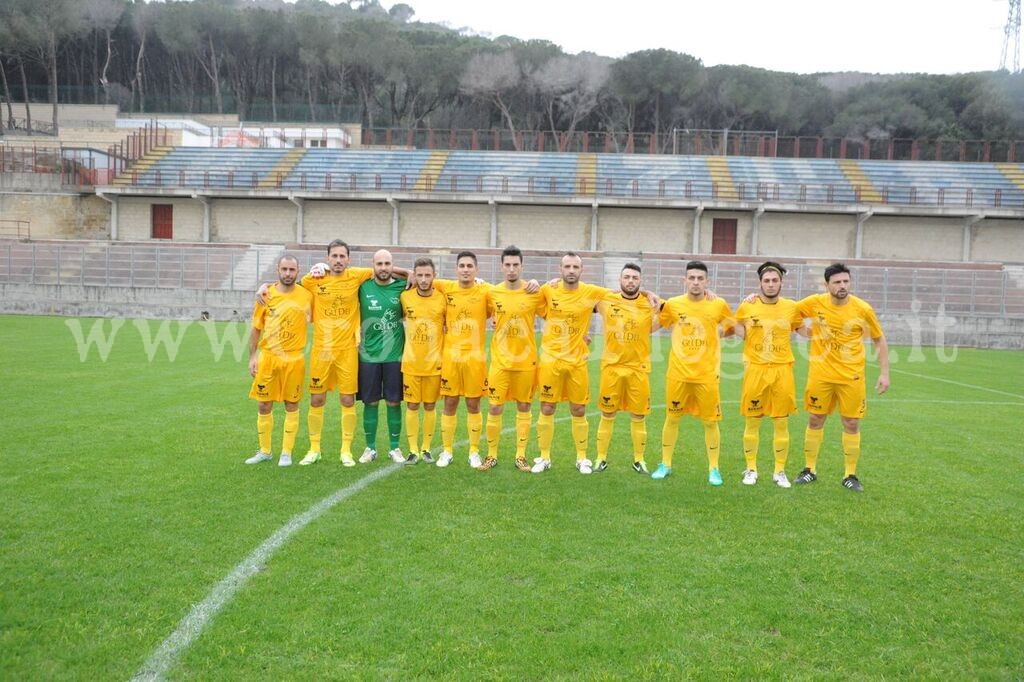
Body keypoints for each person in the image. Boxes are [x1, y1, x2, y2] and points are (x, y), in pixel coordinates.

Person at [259, 240, 373, 467]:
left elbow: (385, 270)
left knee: (347, 399)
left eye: (342, 256)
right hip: (321, 350)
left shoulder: (358, 275)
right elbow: (288, 284)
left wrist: (409, 273)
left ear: (348, 259)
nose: (339, 260)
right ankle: (314, 449)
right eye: (335, 256)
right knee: (317, 399)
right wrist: (265, 285)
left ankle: (346, 451)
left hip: (347, 350)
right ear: (328, 257)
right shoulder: (314, 279)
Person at [794, 263, 890, 492]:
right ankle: (809, 470)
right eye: (837, 282)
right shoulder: (814, 303)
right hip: (821, 375)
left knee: (852, 423)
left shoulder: (862, 309)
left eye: (846, 281)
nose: (842, 286)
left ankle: (850, 474)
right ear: (827, 285)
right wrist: (803, 331)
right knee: (815, 419)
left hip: (851, 377)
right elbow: (788, 312)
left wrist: (885, 373)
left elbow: (879, 339)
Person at [532, 252, 619, 475]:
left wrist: (647, 293)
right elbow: (528, 299)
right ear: (560, 269)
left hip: (577, 361)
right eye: (567, 266)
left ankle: (582, 458)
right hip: (551, 359)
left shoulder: (592, 292)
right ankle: (544, 457)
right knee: (547, 407)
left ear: (582, 270)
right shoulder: (548, 290)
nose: (571, 270)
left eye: (575, 267)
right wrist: (536, 282)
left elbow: (625, 295)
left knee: (579, 409)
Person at [654, 260, 734, 485]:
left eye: (700, 279)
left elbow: (732, 327)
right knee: (672, 418)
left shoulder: (718, 305)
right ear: (685, 280)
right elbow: (656, 324)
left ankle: (714, 469)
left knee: (710, 422)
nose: (696, 282)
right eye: (692, 278)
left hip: (706, 375)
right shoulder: (673, 304)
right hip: (677, 374)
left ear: (707, 281)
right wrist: (652, 303)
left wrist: (718, 332)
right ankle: (665, 464)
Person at [733, 261, 803, 488]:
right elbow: (737, 326)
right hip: (756, 370)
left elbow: (802, 329)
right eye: (767, 281)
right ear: (760, 283)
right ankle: (751, 468)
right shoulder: (747, 306)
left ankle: (779, 471)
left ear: (781, 282)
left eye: (775, 281)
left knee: (781, 423)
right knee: (752, 422)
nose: (771, 285)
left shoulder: (792, 307)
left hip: (783, 370)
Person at [479, 245, 547, 472]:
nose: (511, 269)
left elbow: (557, 310)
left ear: (521, 266)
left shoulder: (534, 292)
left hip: (526, 363)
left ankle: (520, 456)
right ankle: (491, 455)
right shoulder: (492, 293)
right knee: (495, 407)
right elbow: (483, 313)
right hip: (500, 362)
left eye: (515, 265)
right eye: (507, 265)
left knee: (524, 407)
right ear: (501, 267)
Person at [245, 254, 312, 466]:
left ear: (298, 272)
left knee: (291, 404)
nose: (288, 273)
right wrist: (252, 356)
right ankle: (265, 451)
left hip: (294, 359)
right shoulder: (266, 295)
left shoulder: (307, 296)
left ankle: (286, 452)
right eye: (284, 269)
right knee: (264, 404)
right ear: (278, 270)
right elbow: (256, 328)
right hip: (268, 358)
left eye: (292, 270)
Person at [594, 262, 659, 474]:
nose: (630, 281)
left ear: (640, 281)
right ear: (620, 280)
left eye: (635, 278)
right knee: (607, 413)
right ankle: (600, 458)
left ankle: (639, 460)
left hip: (638, 370)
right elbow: (577, 298)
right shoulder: (606, 300)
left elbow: (679, 307)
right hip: (611, 368)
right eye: (627, 277)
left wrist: (650, 294)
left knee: (639, 416)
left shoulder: (651, 303)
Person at [436, 251, 490, 468]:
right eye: (462, 266)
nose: (466, 269)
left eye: (469, 266)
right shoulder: (445, 287)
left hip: (475, 359)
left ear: (477, 270)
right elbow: (418, 276)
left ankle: (474, 451)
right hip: (451, 358)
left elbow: (511, 293)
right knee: (449, 403)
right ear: (456, 269)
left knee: (473, 404)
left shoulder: (486, 290)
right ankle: (446, 451)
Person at [355, 249, 408, 465]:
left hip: (395, 356)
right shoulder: (362, 286)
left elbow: (425, 278)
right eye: (380, 263)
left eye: (387, 263)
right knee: (371, 402)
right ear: (373, 265)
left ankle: (395, 448)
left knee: (394, 402)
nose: (383, 268)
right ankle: (371, 448)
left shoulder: (402, 287)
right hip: (368, 356)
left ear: (392, 265)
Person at [399, 257, 446, 464]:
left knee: (429, 406)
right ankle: (412, 450)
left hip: (434, 363)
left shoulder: (443, 298)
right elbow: (384, 271)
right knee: (411, 406)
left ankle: (426, 449)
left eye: (428, 275)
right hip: (410, 362)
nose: (424, 279)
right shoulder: (405, 297)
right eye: (420, 275)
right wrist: (403, 272)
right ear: (414, 276)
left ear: (434, 276)